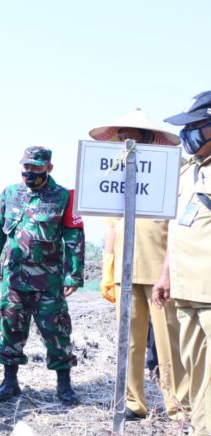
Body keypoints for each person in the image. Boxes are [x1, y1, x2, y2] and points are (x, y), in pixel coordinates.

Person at [93, 109, 189, 421]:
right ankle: (133, 402)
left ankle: (178, 405)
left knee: (168, 342)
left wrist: (173, 268)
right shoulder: (113, 173)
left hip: (162, 267)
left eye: (135, 134)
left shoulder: (171, 172)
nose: (127, 140)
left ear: (150, 137)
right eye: (122, 135)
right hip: (125, 269)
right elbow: (111, 225)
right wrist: (108, 268)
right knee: (129, 342)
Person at [0, 146, 84, 406]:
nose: (30, 172)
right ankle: (9, 381)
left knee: (56, 331)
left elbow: (74, 237)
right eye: (26, 167)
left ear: (49, 168)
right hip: (14, 280)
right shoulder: (9, 194)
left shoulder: (64, 196)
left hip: (48, 282)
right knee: (10, 329)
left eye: (36, 168)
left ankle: (64, 386)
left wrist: (74, 274)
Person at [154, 90, 211, 435]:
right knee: (196, 370)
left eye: (196, 126)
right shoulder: (187, 171)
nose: (188, 133)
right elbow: (177, 229)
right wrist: (165, 274)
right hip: (187, 290)